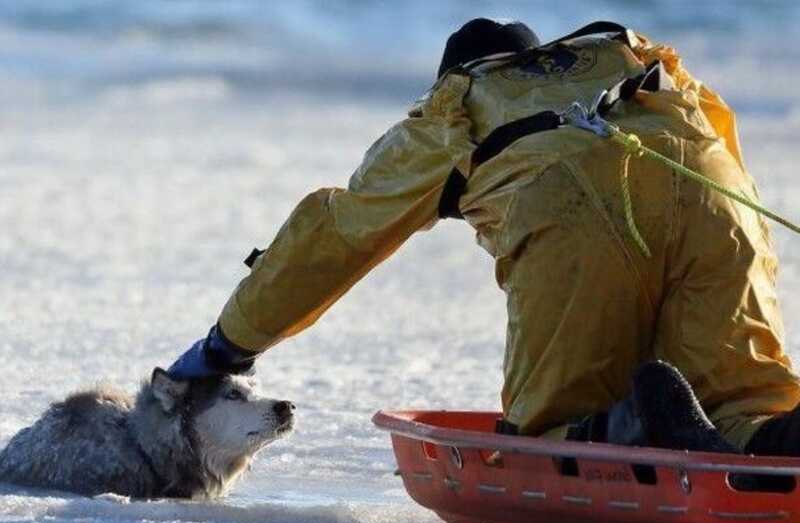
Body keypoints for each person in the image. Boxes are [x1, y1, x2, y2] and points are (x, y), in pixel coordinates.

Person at [166, 18, 800, 456]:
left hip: (576, 210)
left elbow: (335, 236)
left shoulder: (455, 106)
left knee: (551, 435)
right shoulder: (636, 60)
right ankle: (773, 436)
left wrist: (230, 342)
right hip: (718, 198)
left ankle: (627, 425)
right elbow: (713, 155)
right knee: (741, 401)